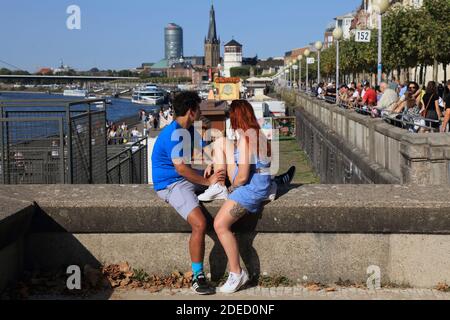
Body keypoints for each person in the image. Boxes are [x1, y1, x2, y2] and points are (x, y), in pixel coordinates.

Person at [152, 91, 225, 295]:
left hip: (184, 178)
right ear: (192, 111)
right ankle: (197, 275)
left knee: (222, 176)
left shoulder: (189, 129)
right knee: (200, 223)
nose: (201, 111)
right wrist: (206, 180)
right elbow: (181, 169)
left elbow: (205, 150)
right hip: (171, 184)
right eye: (199, 108)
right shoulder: (173, 133)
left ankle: (270, 183)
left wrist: (212, 165)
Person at [196, 100, 274, 294]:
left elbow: (242, 176)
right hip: (260, 184)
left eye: (231, 117)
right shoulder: (257, 134)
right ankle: (219, 185)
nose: (230, 121)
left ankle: (237, 273)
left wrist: (232, 190)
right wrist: (215, 164)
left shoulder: (246, 138)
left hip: (251, 189)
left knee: (220, 225)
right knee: (221, 142)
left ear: (237, 117)